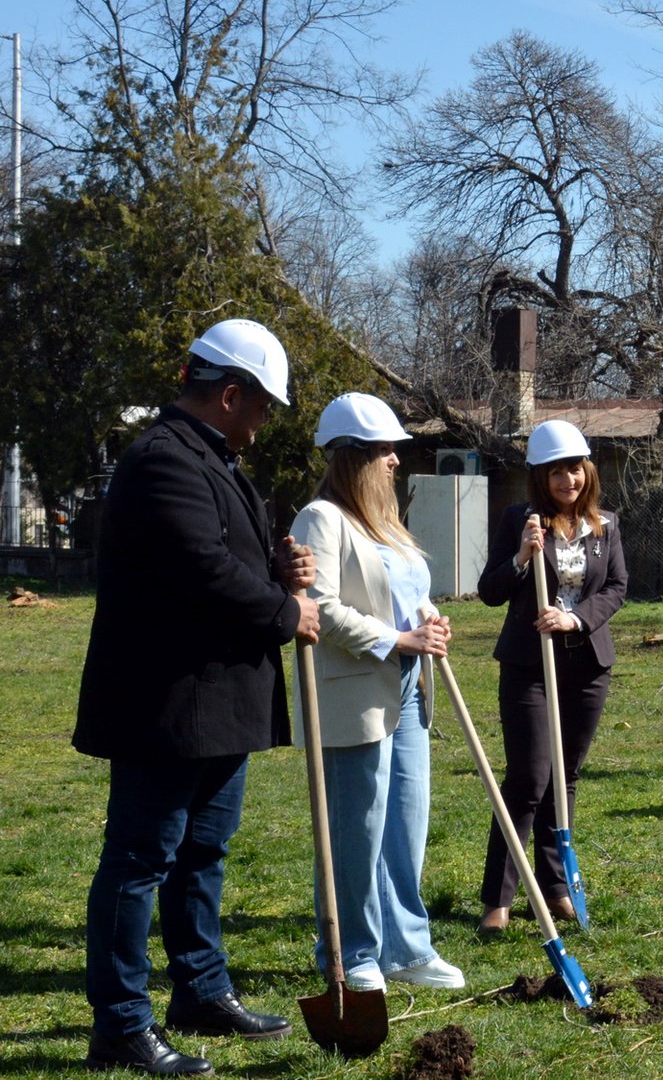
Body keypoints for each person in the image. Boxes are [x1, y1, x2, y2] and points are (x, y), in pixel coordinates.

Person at [74, 319, 320, 1076]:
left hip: (213, 703)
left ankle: (200, 989)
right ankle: (120, 1023)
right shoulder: (162, 460)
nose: (264, 420)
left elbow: (226, 556)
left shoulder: (208, 456)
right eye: (262, 405)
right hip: (166, 703)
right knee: (141, 858)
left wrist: (279, 565)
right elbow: (202, 568)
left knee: (202, 852)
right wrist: (287, 611)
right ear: (229, 393)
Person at [290, 393, 462, 992]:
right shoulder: (322, 518)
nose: (395, 461)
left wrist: (429, 619)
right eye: (385, 451)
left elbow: (405, 593)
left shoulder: (387, 524)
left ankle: (408, 948)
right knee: (357, 828)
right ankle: (352, 953)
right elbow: (322, 608)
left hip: (411, 689)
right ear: (356, 458)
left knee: (406, 824)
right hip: (356, 692)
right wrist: (397, 639)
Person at [475, 420, 627, 933]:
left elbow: (617, 588)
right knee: (529, 779)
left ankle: (556, 885)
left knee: (566, 779)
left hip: (586, 666)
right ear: (540, 475)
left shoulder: (605, 523)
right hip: (529, 666)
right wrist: (521, 556)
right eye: (557, 471)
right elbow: (490, 590)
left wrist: (576, 617)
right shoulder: (520, 519)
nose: (569, 480)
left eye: (576, 468)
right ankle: (498, 897)